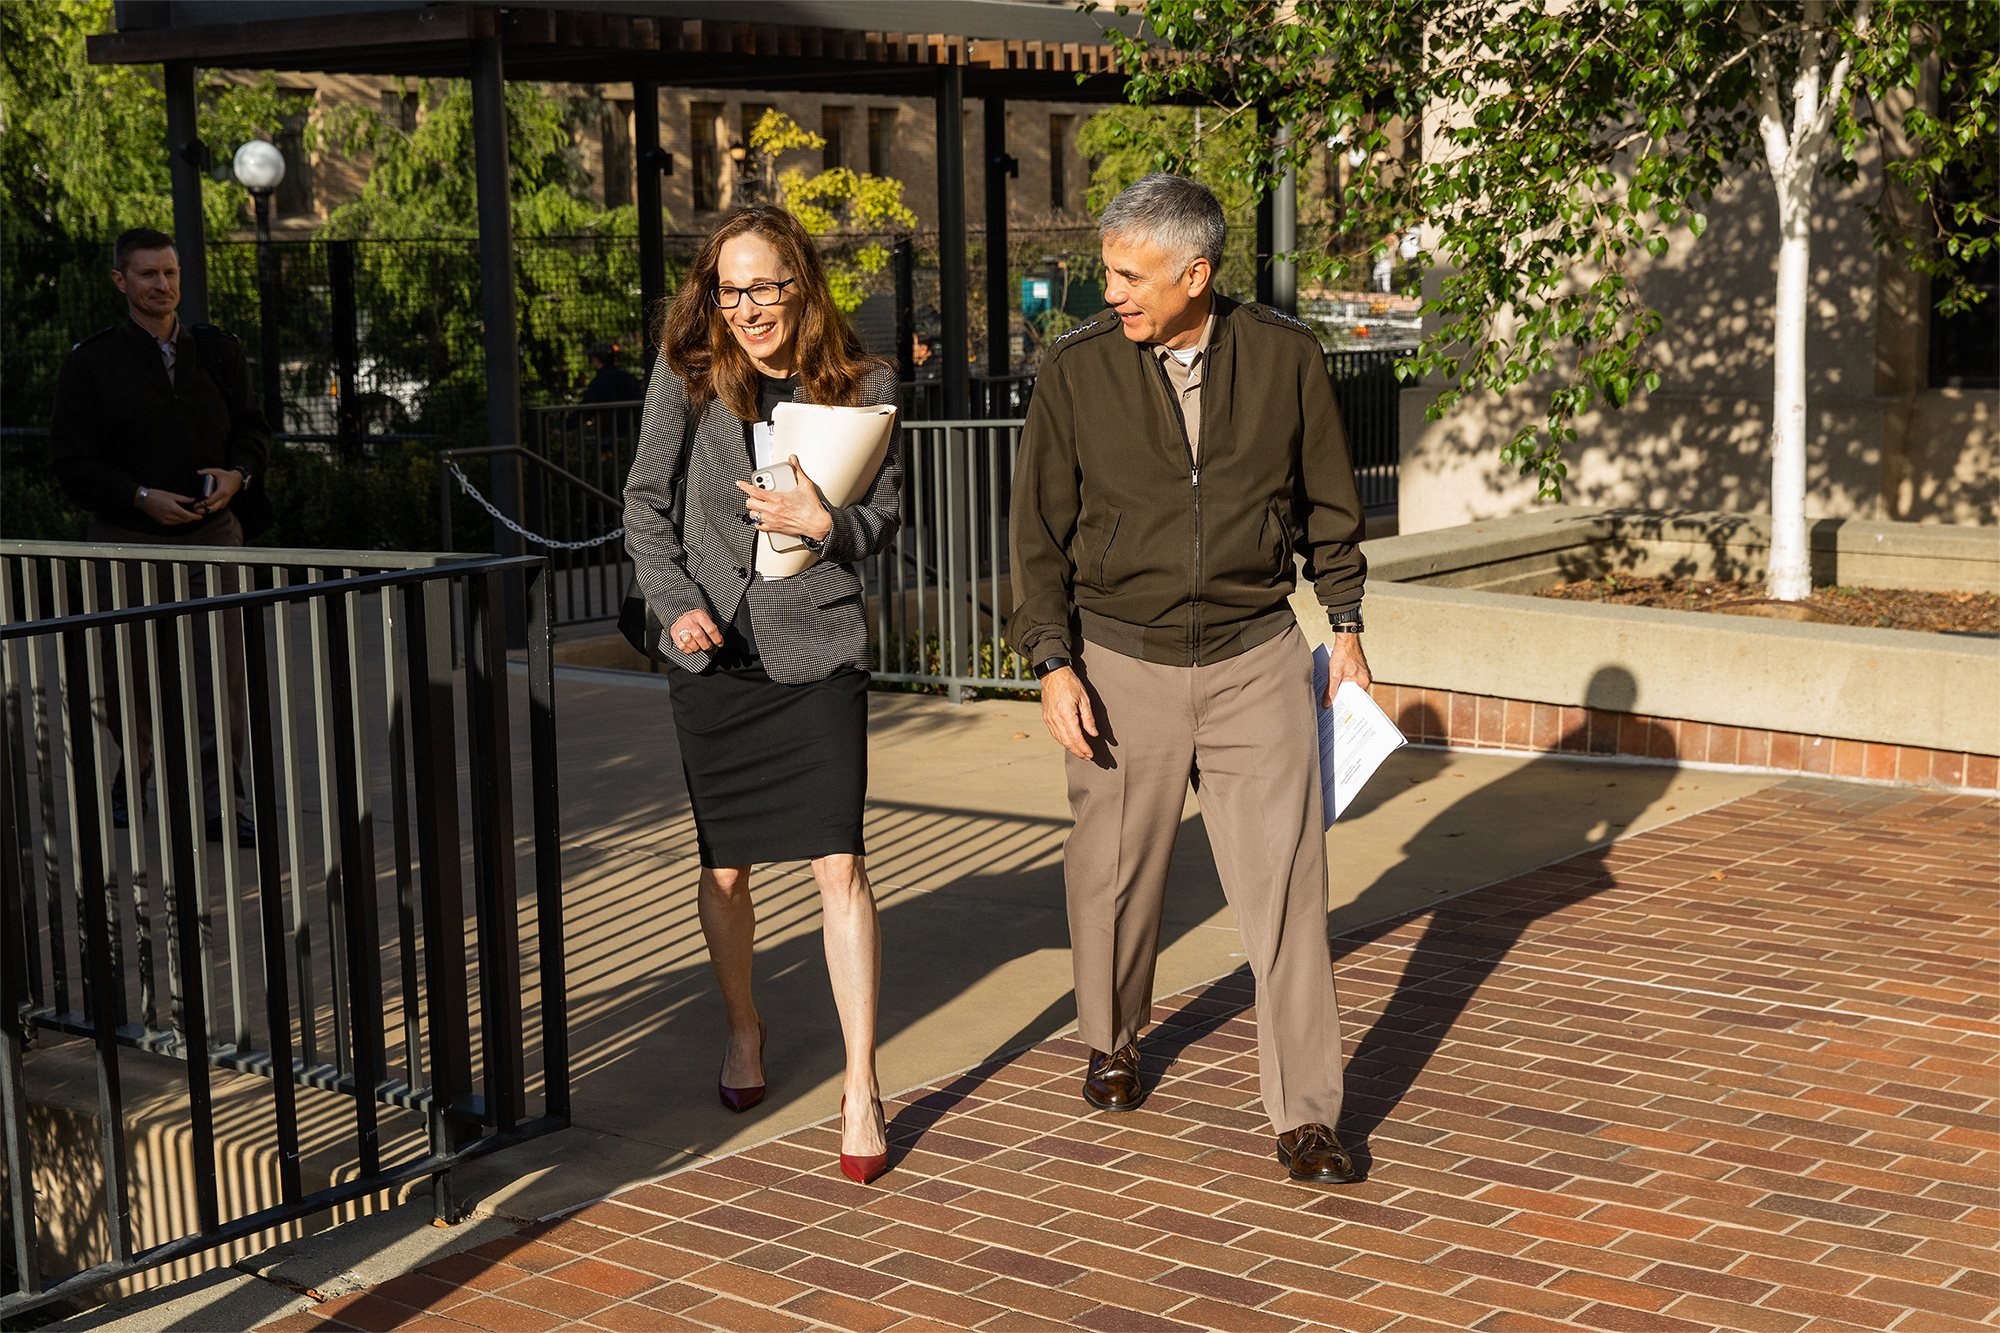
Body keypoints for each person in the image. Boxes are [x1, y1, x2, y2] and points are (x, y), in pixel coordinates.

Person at [1008, 174, 1372, 1184]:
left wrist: (1342, 623)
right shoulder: (1076, 371)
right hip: (1119, 656)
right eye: (1109, 270)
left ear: (1194, 274)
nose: (1110, 291)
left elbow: (1327, 507)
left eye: (1129, 275)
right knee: (1114, 875)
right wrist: (1050, 661)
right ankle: (1113, 1035)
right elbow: (1036, 534)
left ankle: (1305, 1112)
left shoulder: (1286, 359)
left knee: (1288, 888)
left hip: (1255, 655)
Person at [623, 205, 901, 1185]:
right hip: (713, 657)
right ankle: (744, 1023)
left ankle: (861, 1083)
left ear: (800, 283)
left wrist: (825, 521)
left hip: (816, 650)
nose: (748, 308)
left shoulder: (862, 383)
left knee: (838, 865)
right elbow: (643, 507)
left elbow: (883, 518)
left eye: (766, 286)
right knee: (728, 871)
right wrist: (672, 605)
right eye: (728, 289)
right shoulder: (687, 375)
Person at [49, 226, 270, 848]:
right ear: (121, 281)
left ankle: (221, 802)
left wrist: (238, 475)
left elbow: (253, 431)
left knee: (220, 678)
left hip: (214, 537)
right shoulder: (90, 363)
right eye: (148, 274)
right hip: (125, 541)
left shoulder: (218, 352)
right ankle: (135, 772)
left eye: (170, 273)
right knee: (126, 677)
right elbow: (71, 463)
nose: (162, 285)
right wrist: (139, 496)